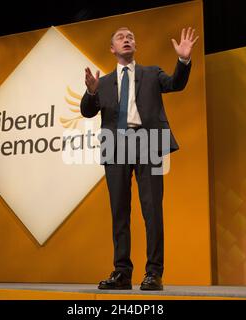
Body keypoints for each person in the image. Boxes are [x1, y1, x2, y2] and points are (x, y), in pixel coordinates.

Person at [80, 26, 198, 290]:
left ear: (135, 46)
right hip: (116, 146)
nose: (127, 39)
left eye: (131, 37)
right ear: (112, 48)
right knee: (119, 211)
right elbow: (88, 112)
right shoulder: (105, 81)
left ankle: (154, 273)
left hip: (148, 143)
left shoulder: (152, 73)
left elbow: (176, 84)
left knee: (152, 210)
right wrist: (90, 92)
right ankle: (122, 273)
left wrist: (183, 60)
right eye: (121, 37)